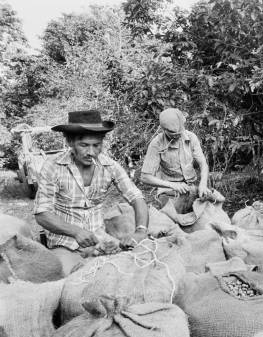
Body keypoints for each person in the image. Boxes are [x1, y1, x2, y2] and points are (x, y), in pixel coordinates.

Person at [34, 110, 149, 272]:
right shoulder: (53, 166)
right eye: (84, 145)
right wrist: (76, 232)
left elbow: (137, 197)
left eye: (96, 145)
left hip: (100, 241)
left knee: (129, 271)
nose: (91, 152)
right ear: (70, 142)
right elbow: (42, 213)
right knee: (70, 281)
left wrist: (140, 231)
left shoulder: (110, 166)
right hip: (64, 244)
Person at [140, 108, 210, 213]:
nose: (178, 135)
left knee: (208, 214)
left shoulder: (191, 138)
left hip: (191, 188)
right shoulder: (157, 144)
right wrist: (173, 185)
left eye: (180, 132)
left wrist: (203, 184)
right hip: (169, 191)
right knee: (173, 221)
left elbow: (203, 164)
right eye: (173, 133)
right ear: (163, 129)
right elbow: (145, 177)